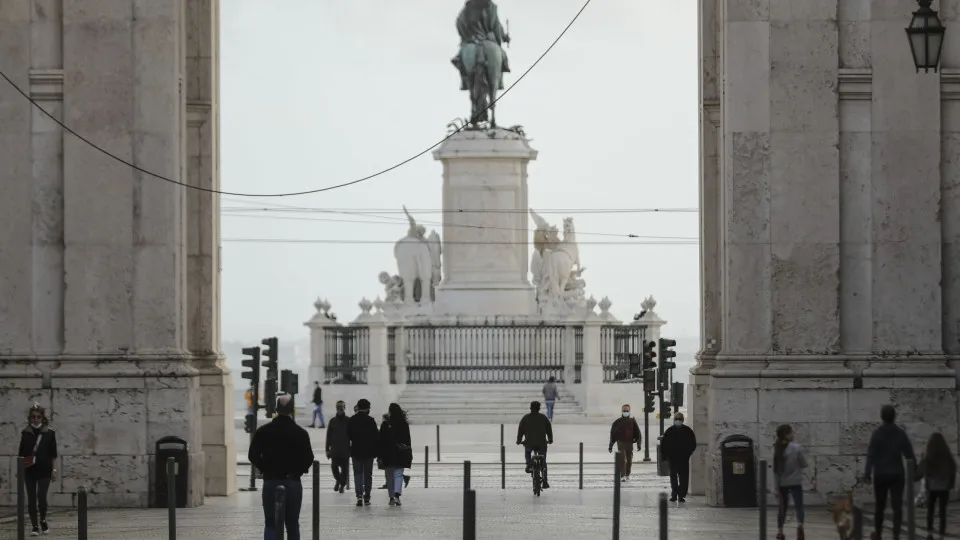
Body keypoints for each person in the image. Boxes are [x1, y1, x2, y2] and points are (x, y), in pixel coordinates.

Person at [248, 395, 315, 540]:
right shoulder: (301, 433)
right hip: (293, 481)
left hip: (271, 480)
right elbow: (309, 458)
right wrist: (299, 470)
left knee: (271, 523)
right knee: (292, 523)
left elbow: (252, 455)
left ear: (276, 409)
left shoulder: (263, 431)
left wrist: (264, 468)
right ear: (292, 410)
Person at [864, 404, 916, 540]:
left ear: (882, 416)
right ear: (894, 416)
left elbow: (871, 454)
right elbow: (909, 453)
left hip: (880, 474)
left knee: (879, 506)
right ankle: (896, 534)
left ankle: (878, 533)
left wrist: (867, 473)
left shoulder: (877, 433)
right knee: (897, 506)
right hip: (897, 474)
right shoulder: (900, 433)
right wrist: (915, 470)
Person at [17, 404, 58, 536]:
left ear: (42, 418)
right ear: (29, 418)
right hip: (29, 471)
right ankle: (35, 526)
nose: (36, 419)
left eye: (38, 417)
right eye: (33, 417)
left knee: (41, 497)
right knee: (31, 499)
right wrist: (19, 469)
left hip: (45, 470)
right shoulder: (25, 433)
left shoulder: (50, 434)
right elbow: (21, 453)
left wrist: (54, 470)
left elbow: (53, 454)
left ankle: (43, 520)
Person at [772, 424, 807, 540]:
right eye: (791, 432)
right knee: (799, 506)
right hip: (796, 482)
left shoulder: (777, 449)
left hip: (782, 483)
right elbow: (804, 464)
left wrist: (776, 488)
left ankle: (780, 532)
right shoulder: (797, 448)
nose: (793, 434)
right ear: (786, 434)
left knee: (782, 508)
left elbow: (776, 471)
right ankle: (800, 527)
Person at [918, 432, 955, 539]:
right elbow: (952, 470)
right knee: (942, 510)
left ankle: (930, 531)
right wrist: (951, 484)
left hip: (932, 487)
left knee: (930, 510)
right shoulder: (947, 456)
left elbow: (921, 471)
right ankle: (941, 532)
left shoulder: (928, 456)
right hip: (944, 487)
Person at [378, 403, 413, 506]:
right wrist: (408, 451)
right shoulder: (403, 423)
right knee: (398, 475)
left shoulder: (385, 424)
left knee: (389, 476)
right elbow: (408, 439)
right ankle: (397, 496)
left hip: (388, 453)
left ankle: (391, 497)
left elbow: (381, 440)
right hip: (400, 453)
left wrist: (380, 454)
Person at [347, 398, 380, 506]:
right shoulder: (370, 420)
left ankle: (359, 496)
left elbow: (348, 435)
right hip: (369, 452)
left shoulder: (352, 420)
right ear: (366, 408)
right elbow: (376, 437)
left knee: (357, 474)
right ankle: (367, 497)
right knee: (368, 475)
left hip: (356, 451)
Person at [661, 412, 697, 502]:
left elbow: (693, 444)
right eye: (676, 419)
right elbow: (664, 445)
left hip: (683, 458)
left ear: (683, 420)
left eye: (679, 419)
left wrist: (688, 454)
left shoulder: (688, 431)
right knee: (673, 477)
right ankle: (674, 494)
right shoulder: (670, 431)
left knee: (683, 478)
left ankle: (681, 495)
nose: (678, 421)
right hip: (672, 458)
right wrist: (665, 457)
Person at [516, 401, 553, 489]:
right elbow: (549, 429)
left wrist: (519, 440)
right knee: (543, 463)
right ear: (539, 408)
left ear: (530, 408)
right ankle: (545, 482)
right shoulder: (543, 418)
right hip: (542, 444)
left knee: (527, 452)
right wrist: (550, 439)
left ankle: (529, 465)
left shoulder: (525, 418)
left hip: (529, 443)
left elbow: (520, 430)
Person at [608, 404, 642, 482]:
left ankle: (627, 474)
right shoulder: (617, 422)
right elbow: (613, 434)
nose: (625, 412)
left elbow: (637, 433)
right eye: (624, 410)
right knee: (622, 459)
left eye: (627, 411)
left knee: (629, 460)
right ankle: (622, 474)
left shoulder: (632, 421)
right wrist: (611, 445)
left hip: (629, 443)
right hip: (621, 443)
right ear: (621, 411)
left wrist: (638, 443)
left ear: (629, 411)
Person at [325, 400, 350, 494]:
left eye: (341, 407)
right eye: (338, 407)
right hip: (335, 449)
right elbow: (328, 436)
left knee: (345, 470)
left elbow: (352, 435)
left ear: (344, 408)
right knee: (334, 468)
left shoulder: (348, 420)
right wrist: (327, 449)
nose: (340, 409)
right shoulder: (332, 421)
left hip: (345, 449)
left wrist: (351, 449)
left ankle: (342, 485)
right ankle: (338, 480)